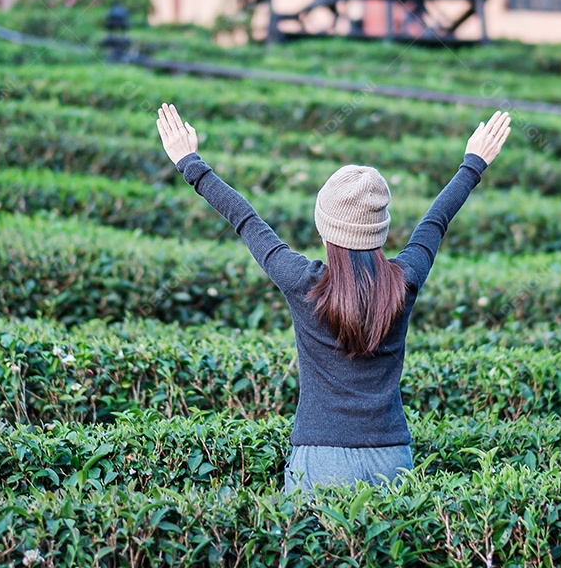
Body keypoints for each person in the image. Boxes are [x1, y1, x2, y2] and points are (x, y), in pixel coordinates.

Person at [155, 102, 511, 493]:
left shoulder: (302, 282)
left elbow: (247, 221)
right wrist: (474, 162)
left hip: (319, 457)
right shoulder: (404, 280)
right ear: (380, 231)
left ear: (325, 229)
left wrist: (189, 162)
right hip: (390, 455)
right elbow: (436, 221)